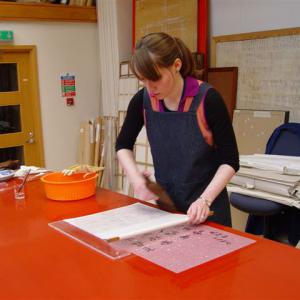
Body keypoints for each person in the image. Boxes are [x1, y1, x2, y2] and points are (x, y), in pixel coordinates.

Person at [116, 32, 239, 226]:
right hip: (166, 207)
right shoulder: (143, 100)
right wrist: (137, 181)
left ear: (176, 65)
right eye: (143, 80)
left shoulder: (208, 99)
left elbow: (230, 160)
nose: (149, 88)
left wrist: (204, 200)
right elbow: (122, 144)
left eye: (155, 78)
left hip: (206, 208)